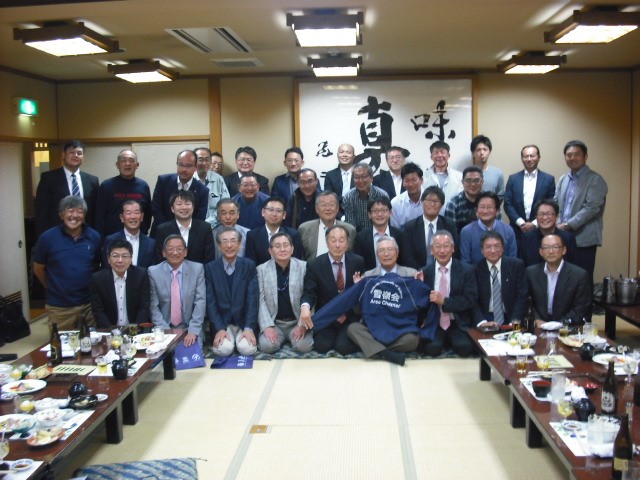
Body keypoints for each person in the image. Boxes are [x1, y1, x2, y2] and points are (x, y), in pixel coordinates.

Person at [313, 236, 432, 366]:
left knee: (412, 340)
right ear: (377, 254)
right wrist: (358, 292)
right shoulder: (368, 276)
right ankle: (386, 353)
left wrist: (420, 285)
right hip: (372, 328)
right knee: (353, 329)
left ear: (397, 252)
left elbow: (421, 305)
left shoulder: (411, 274)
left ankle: (373, 348)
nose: (386, 254)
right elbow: (358, 311)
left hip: (400, 328)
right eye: (382, 250)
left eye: (390, 249)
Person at [33, 195, 101, 330]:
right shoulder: (47, 238)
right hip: (59, 308)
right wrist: (52, 287)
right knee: (61, 343)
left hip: (88, 305)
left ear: (84, 215)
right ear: (61, 215)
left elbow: (97, 265)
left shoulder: (94, 237)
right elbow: (38, 268)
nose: (75, 215)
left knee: (90, 341)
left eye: (79, 211)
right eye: (70, 211)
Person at [299, 225, 364, 355]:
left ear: (347, 243)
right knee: (322, 346)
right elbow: (309, 292)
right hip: (327, 316)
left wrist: (359, 287)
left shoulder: (357, 261)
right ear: (327, 242)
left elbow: (361, 293)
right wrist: (305, 307)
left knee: (343, 348)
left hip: (348, 316)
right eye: (333, 240)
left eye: (341, 240)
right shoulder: (314, 264)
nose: (337, 245)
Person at [555, 140, 608, 289]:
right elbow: (555, 203)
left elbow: (591, 208)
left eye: (577, 154)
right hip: (564, 237)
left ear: (585, 156)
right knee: (564, 279)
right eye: (569, 155)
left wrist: (567, 225)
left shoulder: (595, 180)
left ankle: (585, 306)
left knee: (583, 279)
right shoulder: (563, 179)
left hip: (584, 239)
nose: (572, 158)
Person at [418, 230, 477, 357]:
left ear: (453, 248)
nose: (442, 251)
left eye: (446, 246)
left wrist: (445, 301)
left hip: (457, 321)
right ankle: (443, 341)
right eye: (438, 247)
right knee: (431, 349)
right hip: (435, 322)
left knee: (465, 348)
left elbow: (470, 300)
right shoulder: (424, 272)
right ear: (431, 250)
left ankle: (451, 341)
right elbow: (420, 302)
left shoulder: (466, 270)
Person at [205, 227, 258, 357]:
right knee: (223, 350)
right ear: (219, 246)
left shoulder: (249, 266)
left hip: (243, 322)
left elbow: (252, 299)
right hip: (222, 322)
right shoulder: (210, 268)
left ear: (239, 245)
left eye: (233, 241)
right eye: (224, 241)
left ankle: (240, 338)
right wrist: (219, 328)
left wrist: (249, 327)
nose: (229, 245)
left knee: (247, 349)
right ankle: (228, 338)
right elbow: (210, 302)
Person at [257, 232, 313, 354]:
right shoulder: (261, 270)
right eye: (277, 246)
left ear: (292, 249)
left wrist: (302, 325)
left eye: (286, 245)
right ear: (270, 251)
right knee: (267, 347)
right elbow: (260, 300)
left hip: (296, 321)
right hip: (275, 322)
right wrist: (267, 326)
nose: (282, 249)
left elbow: (311, 295)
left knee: (304, 347)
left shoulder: (304, 267)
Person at [149, 234, 205, 347]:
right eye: (170, 249)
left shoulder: (197, 269)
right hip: (164, 326)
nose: (175, 253)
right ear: (164, 253)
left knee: (190, 352)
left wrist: (193, 330)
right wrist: (165, 331)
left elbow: (200, 301)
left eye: (179, 249)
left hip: (189, 327)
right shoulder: (154, 272)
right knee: (162, 353)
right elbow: (153, 306)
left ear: (185, 252)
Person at [35, 140, 99, 236]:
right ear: (63, 155)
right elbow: (41, 210)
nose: (75, 155)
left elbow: (96, 211)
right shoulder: (48, 178)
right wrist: (44, 236)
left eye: (79, 153)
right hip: (57, 233)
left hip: (85, 233)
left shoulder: (92, 180)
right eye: (71, 152)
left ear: (83, 157)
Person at [527, 234, 591, 327]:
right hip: (539, 325)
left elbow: (581, 307)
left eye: (555, 247)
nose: (551, 251)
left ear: (564, 250)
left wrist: (560, 324)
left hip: (567, 327)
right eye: (546, 247)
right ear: (541, 252)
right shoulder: (531, 272)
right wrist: (536, 319)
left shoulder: (579, 275)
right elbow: (527, 301)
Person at [504, 145, 556, 252]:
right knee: (517, 260)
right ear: (522, 159)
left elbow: (551, 205)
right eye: (525, 156)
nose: (529, 159)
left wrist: (534, 224)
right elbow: (507, 204)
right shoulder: (513, 179)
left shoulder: (549, 179)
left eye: (532, 156)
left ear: (539, 158)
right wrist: (521, 223)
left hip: (541, 230)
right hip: (517, 231)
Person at [90, 239, 150, 329]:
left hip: (135, 330)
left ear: (131, 258)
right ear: (108, 259)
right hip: (109, 330)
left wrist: (135, 329)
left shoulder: (141, 275)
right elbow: (98, 311)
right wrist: (112, 331)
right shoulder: (98, 279)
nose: (120, 260)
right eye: (115, 256)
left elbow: (144, 307)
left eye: (125, 256)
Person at [474, 231, 528, 328]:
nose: (493, 251)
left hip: (512, 317)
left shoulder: (516, 266)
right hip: (486, 318)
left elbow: (522, 296)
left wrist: (514, 323)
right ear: (482, 250)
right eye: (488, 247)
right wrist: (482, 322)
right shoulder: (475, 269)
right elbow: (473, 300)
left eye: (497, 246)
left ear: (502, 248)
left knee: (515, 336)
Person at [150, 149, 208, 237]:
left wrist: (183, 233)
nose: (184, 169)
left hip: (189, 235)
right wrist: (167, 230)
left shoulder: (202, 190)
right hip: (161, 232)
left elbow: (199, 218)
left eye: (188, 166)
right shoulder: (163, 181)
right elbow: (156, 208)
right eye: (181, 165)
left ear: (195, 167)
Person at [93, 149, 152, 236]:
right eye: (123, 161)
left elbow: (148, 214)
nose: (127, 164)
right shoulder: (106, 186)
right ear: (117, 165)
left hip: (137, 237)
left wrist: (143, 232)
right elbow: (99, 215)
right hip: (111, 238)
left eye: (131, 160)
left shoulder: (143, 186)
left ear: (137, 165)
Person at [402, 186, 458, 270]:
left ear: (442, 205)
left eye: (436, 201)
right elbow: (407, 256)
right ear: (422, 202)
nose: (432, 204)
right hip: (416, 272)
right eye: (429, 200)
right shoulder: (410, 227)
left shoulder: (449, 225)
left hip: (443, 271)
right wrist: (421, 272)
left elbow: (454, 252)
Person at [154, 190, 214, 264]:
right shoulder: (162, 230)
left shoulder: (205, 228)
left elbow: (209, 259)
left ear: (193, 207)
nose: (184, 207)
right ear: (172, 208)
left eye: (187, 204)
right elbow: (160, 258)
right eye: (179, 204)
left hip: (198, 271)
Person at [460, 191, 517, 264]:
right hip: (475, 271)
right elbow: (465, 262)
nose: (485, 211)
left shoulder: (508, 230)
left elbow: (512, 260)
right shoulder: (466, 232)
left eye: (489, 207)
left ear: (497, 211)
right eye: (482, 207)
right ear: (476, 211)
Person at [245, 197, 305, 266]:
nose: (274, 214)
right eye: (271, 210)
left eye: (278, 211)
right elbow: (251, 264)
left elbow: (296, 262)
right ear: (263, 212)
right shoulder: (252, 235)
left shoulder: (293, 235)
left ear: (284, 215)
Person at [298, 192, 356, 262]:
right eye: (323, 205)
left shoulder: (349, 229)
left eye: (331, 205)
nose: (328, 208)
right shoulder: (304, 229)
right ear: (316, 209)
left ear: (337, 208)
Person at [520, 199, 576, 267]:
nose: (545, 217)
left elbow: (572, 266)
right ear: (536, 217)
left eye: (549, 214)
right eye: (541, 214)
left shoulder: (568, 238)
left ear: (557, 217)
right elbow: (523, 265)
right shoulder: (527, 238)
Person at [354, 197, 404, 271]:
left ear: (390, 212)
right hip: (370, 277)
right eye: (375, 211)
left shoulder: (400, 235)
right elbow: (359, 265)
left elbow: (404, 261)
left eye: (383, 210)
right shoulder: (361, 238)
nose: (380, 214)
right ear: (369, 214)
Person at [102, 200, 155, 268]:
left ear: (142, 217)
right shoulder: (111, 240)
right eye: (128, 213)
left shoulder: (151, 243)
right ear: (121, 217)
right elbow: (106, 268)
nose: (133, 217)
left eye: (136, 212)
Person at [342, 162, 389, 232]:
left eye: (363, 177)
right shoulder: (348, 197)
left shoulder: (382, 195)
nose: (360, 181)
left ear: (371, 178)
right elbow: (350, 226)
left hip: (379, 234)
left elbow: (385, 221)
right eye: (356, 177)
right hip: (357, 236)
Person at [423, 141, 463, 215]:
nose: (439, 155)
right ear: (431, 157)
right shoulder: (423, 177)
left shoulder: (459, 177)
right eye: (436, 152)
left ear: (449, 155)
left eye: (442, 152)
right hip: (430, 217)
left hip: (453, 217)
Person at [194, 147, 230, 227]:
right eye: (200, 160)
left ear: (210, 161)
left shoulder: (218, 179)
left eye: (207, 160)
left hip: (216, 225)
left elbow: (225, 204)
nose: (204, 163)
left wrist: (208, 223)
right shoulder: (189, 179)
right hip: (193, 226)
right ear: (194, 161)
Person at [444, 165, 483, 234]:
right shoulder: (453, 203)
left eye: (476, 180)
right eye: (468, 180)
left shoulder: (490, 201)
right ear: (462, 182)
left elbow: (497, 228)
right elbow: (451, 234)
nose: (473, 184)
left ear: (482, 182)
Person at [471, 135, 504, 204]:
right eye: (478, 150)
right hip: (471, 210)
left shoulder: (498, 173)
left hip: (492, 209)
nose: (482, 153)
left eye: (485, 149)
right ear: (473, 153)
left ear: (489, 152)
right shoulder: (468, 174)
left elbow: (500, 195)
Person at [390, 162, 425, 228]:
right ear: (403, 182)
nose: (410, 184)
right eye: (407, 181)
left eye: (414, 180)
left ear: (421, 180)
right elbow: (395, 230)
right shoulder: (395, 203)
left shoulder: (431, 200)